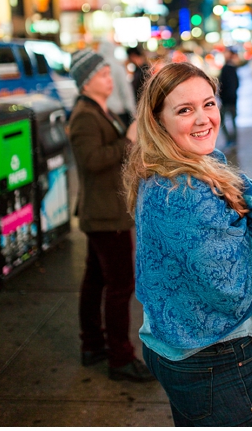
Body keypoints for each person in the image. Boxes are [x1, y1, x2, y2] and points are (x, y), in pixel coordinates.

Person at [124, 62, 252, 426]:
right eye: (185, 110)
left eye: (208, 104)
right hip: (213, 357)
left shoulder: (175, 168)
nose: (203, 119)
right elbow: (231, 289)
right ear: (158, 121)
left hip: (179, 344)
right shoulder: (184, 190)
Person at [66, 48, 153, 383]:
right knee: (120, 285)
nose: (109, 78)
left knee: (96, 280)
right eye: (102, 74)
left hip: (105, 211)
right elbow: (91, 160)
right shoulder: (85, 115)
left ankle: (93, 344)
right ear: (86, 82)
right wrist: (128, 142)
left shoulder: (100, 109)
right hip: (104, 215)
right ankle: (120, 357)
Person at [100, 41, 135, 127]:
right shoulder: (118, 67)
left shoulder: (98, 69)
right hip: (119, 111)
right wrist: (132, 111)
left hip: (103, 111)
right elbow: (125, 90)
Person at [217, 48, 240, 147]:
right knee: (232, 120)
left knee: (223, 121)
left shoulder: (227, 68)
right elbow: (236, 84)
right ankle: (233, 139)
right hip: (233, 99)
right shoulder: (233, 68)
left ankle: (231, 140)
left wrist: (223, 96)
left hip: (227, 100)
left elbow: (223, 85)